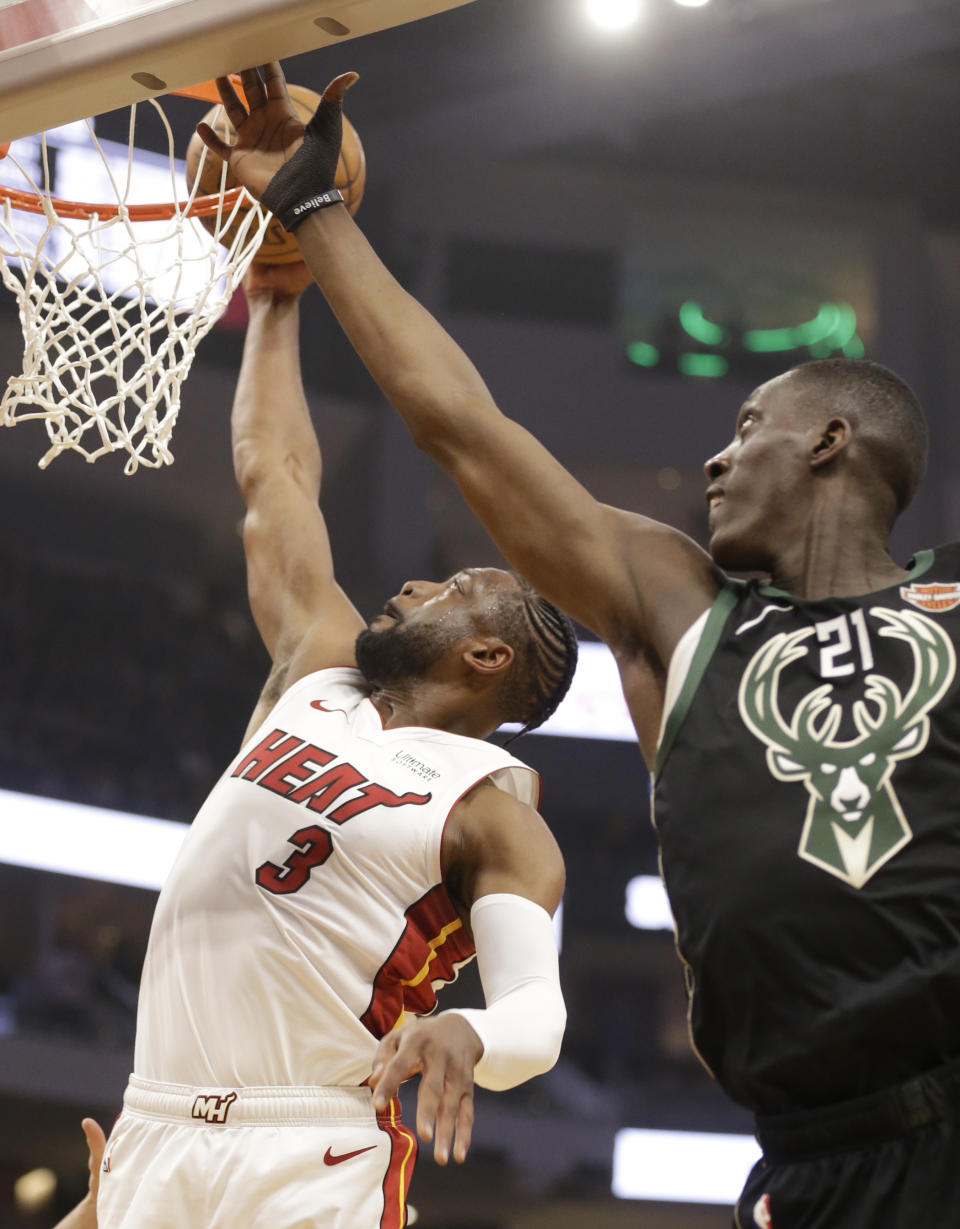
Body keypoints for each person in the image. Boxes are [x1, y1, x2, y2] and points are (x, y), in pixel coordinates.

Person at [197, 63, 960, 1228]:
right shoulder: (682, 608)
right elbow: (465, 429)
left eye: (750, 427)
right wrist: (315, 213)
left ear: (832, 442)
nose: (717, 457)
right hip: (809, 1150)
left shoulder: (948, 606)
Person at [94, 256, 574, 1229]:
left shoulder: (493, 809)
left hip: (307, 1141)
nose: (412, 586)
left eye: (451, 588)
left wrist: (466, 1029)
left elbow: (538, 1016)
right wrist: (274, 295)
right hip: (152, 1121)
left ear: (488, 651)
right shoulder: (320, 668)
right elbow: (275, 477)